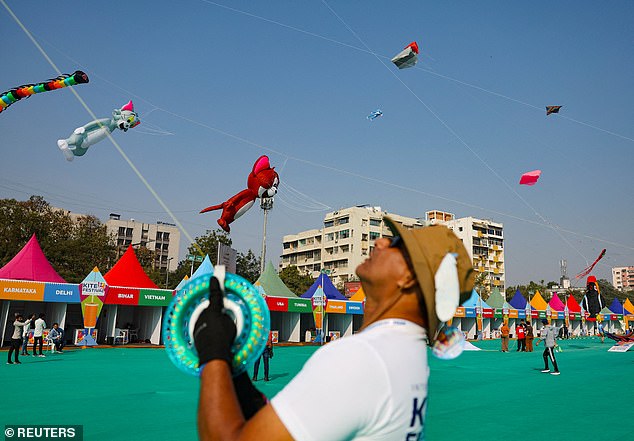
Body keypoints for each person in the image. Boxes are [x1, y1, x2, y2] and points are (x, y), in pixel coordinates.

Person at [193, 219, 474, 440]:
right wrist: (238, 379)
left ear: (409, 277)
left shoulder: (363, 357)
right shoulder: (406, 353)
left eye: (396, 243)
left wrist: (213, 354)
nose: (379, 241)